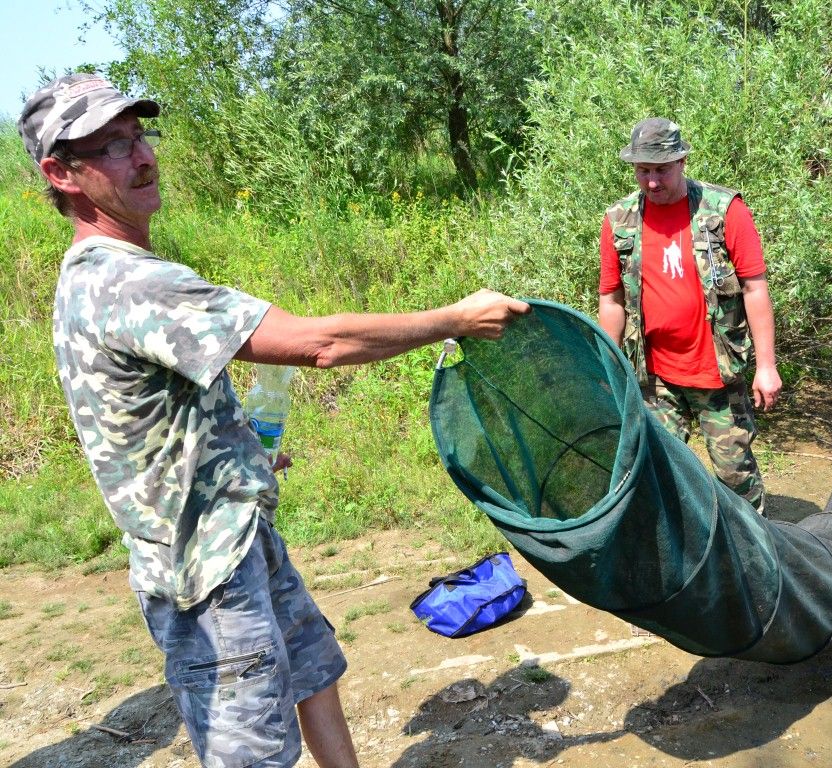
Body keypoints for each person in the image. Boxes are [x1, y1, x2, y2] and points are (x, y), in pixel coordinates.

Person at [19, 72, 530, 768]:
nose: (141, 157)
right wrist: (456, 320)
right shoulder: (126, 280)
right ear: (61, 173)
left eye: (139, 136)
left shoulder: (110, 271)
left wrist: (233, 457)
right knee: (250, 751)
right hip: (205, 573)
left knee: (314, 672)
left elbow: (145, 421)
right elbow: (321, 344)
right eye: (112, 146)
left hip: (238, 531)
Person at [597, 117, 782, 516]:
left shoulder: (723, 211)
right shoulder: (619, 220)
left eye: (661, 169)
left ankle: (759, 556)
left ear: (681, 161)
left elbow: (755, 289)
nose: (651, 181)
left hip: (716, 372)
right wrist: (605, 367)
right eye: (642, 170)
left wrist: (766, 365)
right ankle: (680, 559)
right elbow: (611, 300)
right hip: (654, 377)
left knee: (735, 477)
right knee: (657, 475)